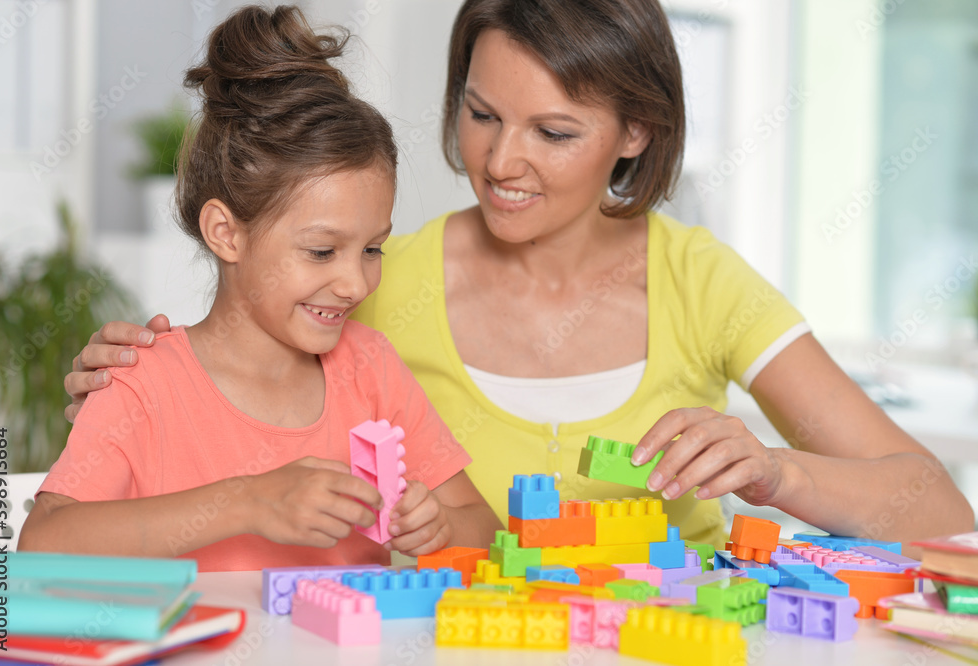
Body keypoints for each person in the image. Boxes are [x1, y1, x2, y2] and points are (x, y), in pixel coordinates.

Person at [62, 0, 973, 548]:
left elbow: (935, 508)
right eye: (482, 113)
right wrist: (132, 381)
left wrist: (774, 472)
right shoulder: (382, 280)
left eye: (555, 132)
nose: (501, 162)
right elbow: (245, 352)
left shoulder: (703, 283)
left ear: (636, 133)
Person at [20, 5, 501, 572]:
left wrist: (438, 528)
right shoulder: (141, 382)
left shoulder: (371, 371)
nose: (354, 283)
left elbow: (484, 527)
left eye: (373, 249)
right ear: (226, 233)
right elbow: (40, 547)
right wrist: (246, 501)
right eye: (321, 251)